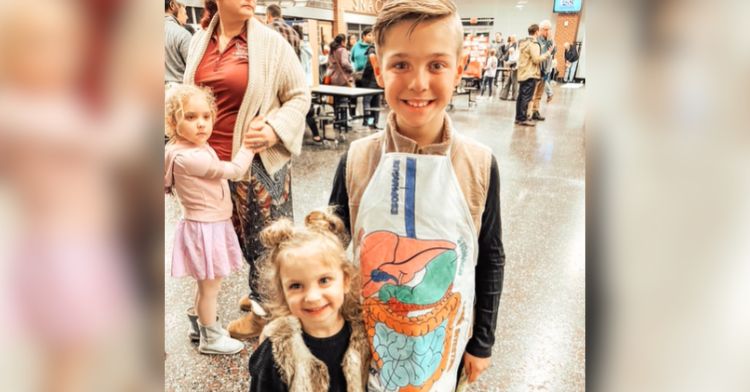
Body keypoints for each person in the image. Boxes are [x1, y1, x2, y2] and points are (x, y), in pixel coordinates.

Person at [328, 1, 505, 390]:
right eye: (401, 64)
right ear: (378, 69)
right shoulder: (356, 161)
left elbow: (490, 256)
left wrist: (483, 341)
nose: (418, 83)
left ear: (459, 70)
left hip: (445, 339)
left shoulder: (479, 165)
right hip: (365, 342)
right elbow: (328, 252)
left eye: (437, 65)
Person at [183, 0, 311, 340]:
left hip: (257, 161)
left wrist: (273, 128)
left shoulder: (271, 43)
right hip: (214, 163)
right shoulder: (200, 41)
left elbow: (299, 96)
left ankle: (264, 312)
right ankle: (262, 292)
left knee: (265, 241)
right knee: (235, 235)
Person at [164, 85, 258, 354]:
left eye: (206, 116)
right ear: (173, 122)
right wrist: (249, 145)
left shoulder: (179, 147)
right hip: (206, 226)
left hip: (202, 224)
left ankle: (199, 325)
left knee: (205, 284)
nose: (202, 124)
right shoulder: (189, 157)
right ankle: (211, 338)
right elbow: (235, 170)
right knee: (210, 288)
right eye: (191, 117)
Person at [248, 210, 370, 391]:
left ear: (345, 281)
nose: (312, 297)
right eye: (296, 286)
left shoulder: (366, 334)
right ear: (283, 291)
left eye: (324, 280)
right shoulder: (276, 354)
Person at [515, 23, 552, 126]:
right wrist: (547, 54)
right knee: (526, 98)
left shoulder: (523, 42)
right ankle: (522, 119)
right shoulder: (533, 43)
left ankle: (518, 118)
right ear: (536, 32)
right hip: (530, 74)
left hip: (522, 73)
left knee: (521, 97)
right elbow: (536, 59)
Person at [528, 19, 556, 120]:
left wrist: (551, 40)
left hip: (546, 70)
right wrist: (548, 44)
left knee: (539, 93)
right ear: (541, 29)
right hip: (537, 70)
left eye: (549, 29)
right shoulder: (538, 40)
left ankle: (536, 111)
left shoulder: (550, 40)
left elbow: (554, 51)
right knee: (533, 93)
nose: (548, 32)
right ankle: (529, 113)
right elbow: (542, 53)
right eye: (547, 29)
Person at [328, 34, 354, 130]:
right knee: (343, 101)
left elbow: (329, 63)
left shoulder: (332, 51)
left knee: (336, 101)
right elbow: (345, 63)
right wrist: (352, 69)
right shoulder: (343, 50)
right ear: (343, 41)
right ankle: (344, 123)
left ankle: (337, 121)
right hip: (343, 78)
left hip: (333, 78)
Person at [164, 0, 192, 85]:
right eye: (184, 9)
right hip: (179, 94)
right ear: (172, 5)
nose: (187, 17)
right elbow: (194, 71)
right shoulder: (182, 34)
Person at [359, 44, 382, 129]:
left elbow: (371, 56)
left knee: (367, 101)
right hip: (377, 79)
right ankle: (373, 123)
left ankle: (368, 122)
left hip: (371, 81)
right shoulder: (379, 49)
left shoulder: (372, 49)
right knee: (375, 101)